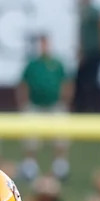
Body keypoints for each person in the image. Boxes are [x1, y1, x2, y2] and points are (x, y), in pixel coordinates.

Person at [17, 34, 72, 181]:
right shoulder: (32, 65)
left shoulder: (57, 64)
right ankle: (30, 165)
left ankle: (60, 165)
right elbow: (24, 84)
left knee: (61, 133)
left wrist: (65, 101)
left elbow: (66, 83)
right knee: (30, 133)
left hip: (54, 104)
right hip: (35, 105)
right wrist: (24, 103)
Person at [73, 0, 100, 113]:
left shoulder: (93, 12)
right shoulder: (84, 12)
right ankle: (82, 108)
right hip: (87, 52)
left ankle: (96, 108)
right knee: (81, 80)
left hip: (94, 52)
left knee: (92, 80)